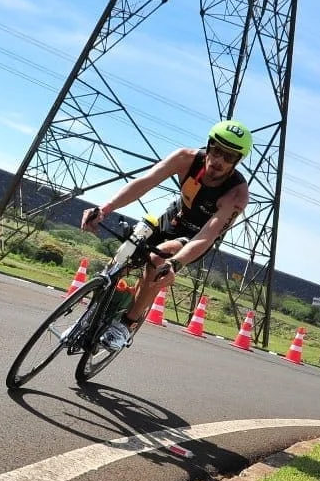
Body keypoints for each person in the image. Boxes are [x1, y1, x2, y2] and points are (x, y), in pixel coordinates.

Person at [81, 119, 252, 351]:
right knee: (120, 258)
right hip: (174, 217)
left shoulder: (237, 195)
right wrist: (104, 209)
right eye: (217, 151)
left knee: (156, 261)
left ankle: (125, 325)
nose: (219, 160)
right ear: (209, 145)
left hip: (195, 237)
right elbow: (144, 183)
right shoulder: (186, 159)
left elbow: (207, 235)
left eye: (229, 157)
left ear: (237, 161)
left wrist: (175, 264)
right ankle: (89, 319)